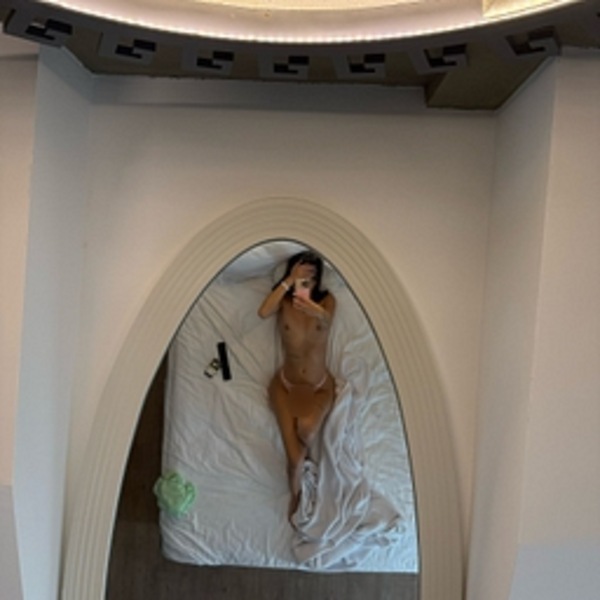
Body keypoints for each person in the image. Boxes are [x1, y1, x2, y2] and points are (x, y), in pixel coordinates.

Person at [258, 251, 336, 518]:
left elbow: (328, 319)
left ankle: (305, 453)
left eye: (311, 277)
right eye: (301, 276)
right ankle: (296, 495)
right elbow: (263, 312)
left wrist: (317, 311)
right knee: (294, 460)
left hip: (318, 387)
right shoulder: (283, 301)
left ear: (319, 279)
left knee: (307, 430)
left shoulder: (327, 301)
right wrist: (289, 282)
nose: (306, 282)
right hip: (286, 385)